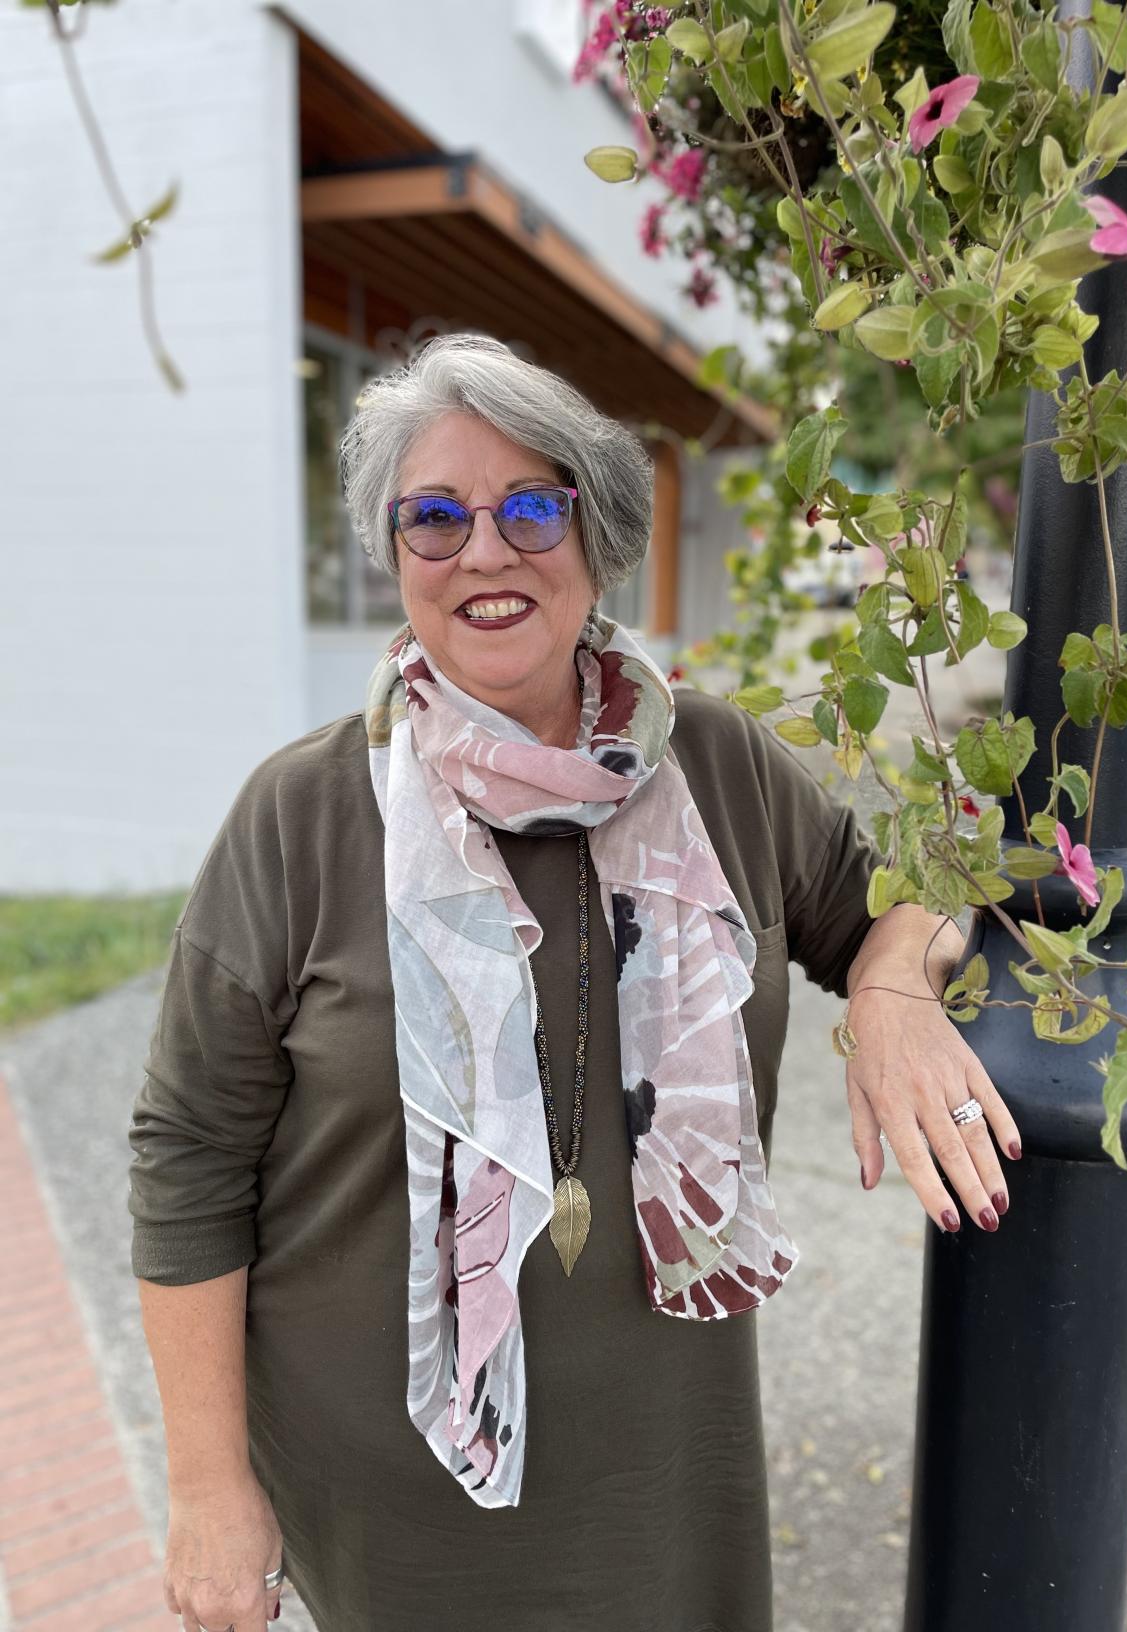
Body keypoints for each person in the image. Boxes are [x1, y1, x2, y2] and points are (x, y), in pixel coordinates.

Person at [128, 333, 1022, 1632]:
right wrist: (207, 1485)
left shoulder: (716, 765)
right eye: (433, 519)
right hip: (388, 1492)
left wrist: (893, 992)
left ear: (597, 534)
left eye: (528, 507)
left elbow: (904, 897)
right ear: (394, 559)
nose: (481, 552)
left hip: (669, 1472)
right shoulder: (301, 815)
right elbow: (187, 1159)